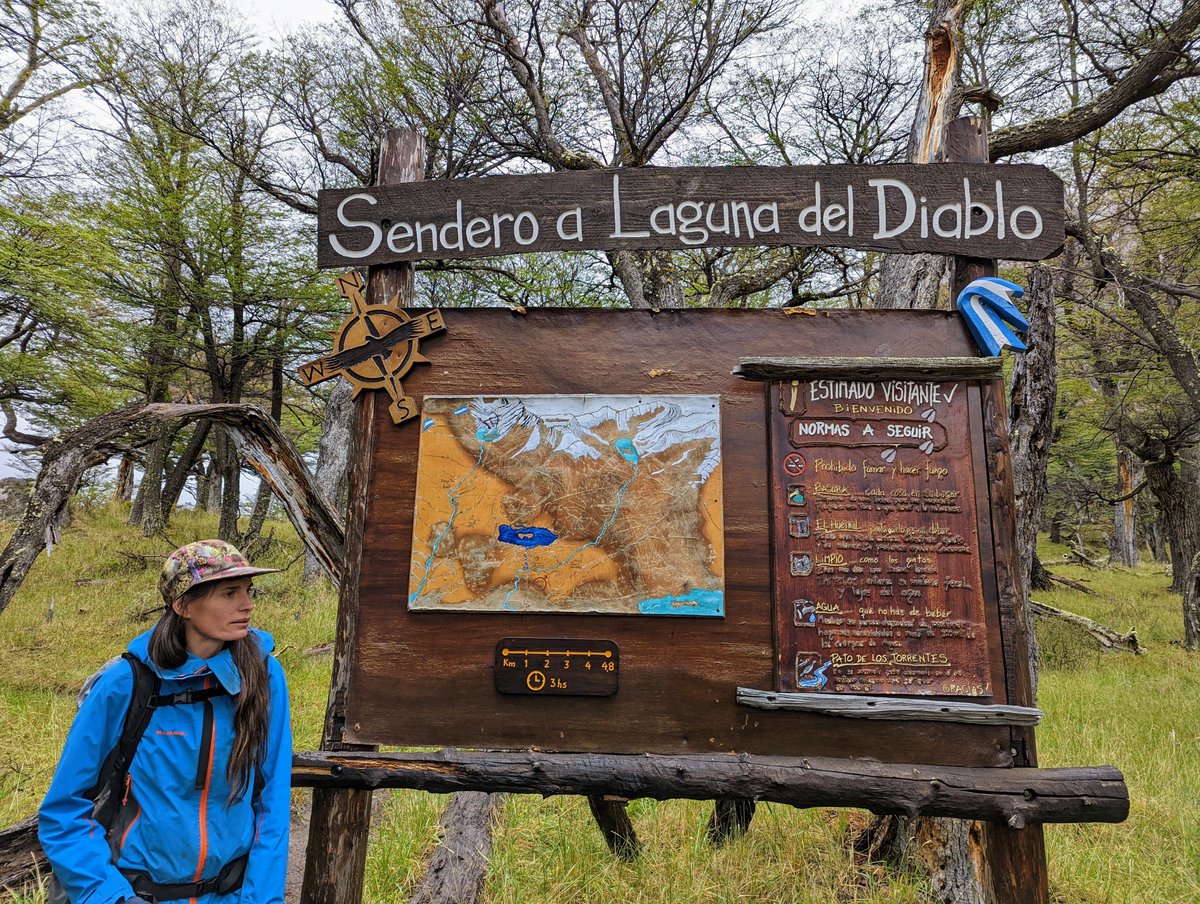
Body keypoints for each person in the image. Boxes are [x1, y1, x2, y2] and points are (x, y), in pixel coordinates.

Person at [39, 540, 293, 904]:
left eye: (248, 591)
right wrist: (111, 897)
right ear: (183, 605)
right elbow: (64, 810)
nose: (247, 604)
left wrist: (262, 899)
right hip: (136, 894)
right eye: (229, 593)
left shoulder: (263, 676)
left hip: (232, 894)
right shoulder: (126, 683)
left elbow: (272, 801)